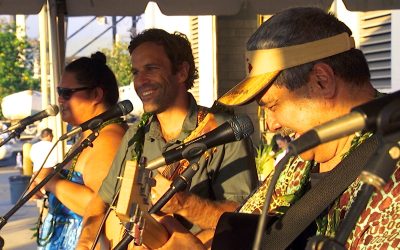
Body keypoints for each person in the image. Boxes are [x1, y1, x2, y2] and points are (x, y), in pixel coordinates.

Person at [148, 7, 400, 249]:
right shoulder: (301, 160)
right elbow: (252, 224)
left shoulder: (391, 170)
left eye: (273, 105)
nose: (270, 125)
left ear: (322, 82)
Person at [76, 28, 258, 249]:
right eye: (135, 72)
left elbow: (242, 220)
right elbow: (101, 200)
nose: (140, 81)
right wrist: (86, 241)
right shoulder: (137, 135)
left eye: (151, 69)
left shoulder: (222, 131)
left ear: (181, 72)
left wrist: (184, 204)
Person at [30, 51, 128, 249]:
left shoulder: (109, 139)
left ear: (96, 95)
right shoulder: (91, 132)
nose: (60, 99)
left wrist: (51, 180)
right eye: (59, 91)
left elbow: (101, 206)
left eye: (67, 93)